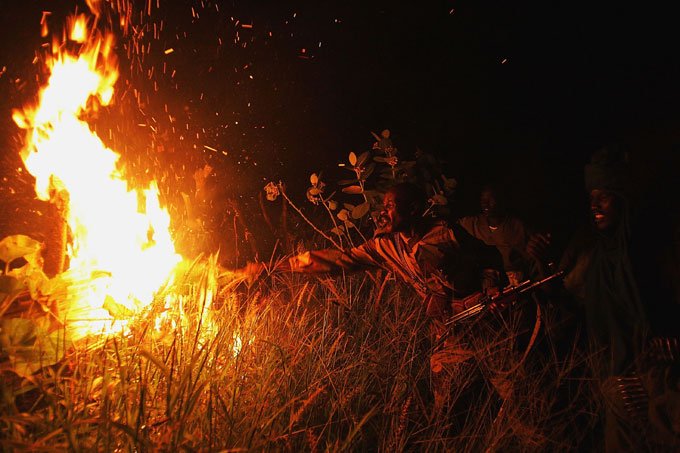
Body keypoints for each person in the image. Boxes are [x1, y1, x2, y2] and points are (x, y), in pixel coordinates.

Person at [550, 146, 680, 451]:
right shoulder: (595, 258)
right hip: (618, 384)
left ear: (622, 199)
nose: (594, 206)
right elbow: (570, 301)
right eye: (591, 198)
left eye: (604, 197)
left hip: (663, 381)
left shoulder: (654, 251)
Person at [458, 184, 532, 286]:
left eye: (490, 199)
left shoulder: (516, 226)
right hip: (486, 284)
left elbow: (530, 258)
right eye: (483, 199)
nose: (485, 203)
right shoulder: (473, 223)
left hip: (514, 282)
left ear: (501, 200)